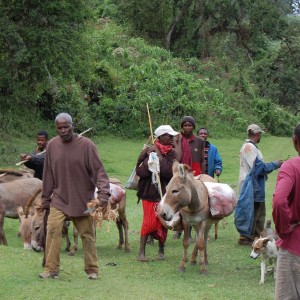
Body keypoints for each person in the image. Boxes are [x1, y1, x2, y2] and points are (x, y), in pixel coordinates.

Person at [39, 113, 110, 280]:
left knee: (87, 234)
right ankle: (51, 269)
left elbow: (100, 172)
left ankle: (92, 270)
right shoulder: (52, 146)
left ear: (72, 126)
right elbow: (48, 174)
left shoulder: (87, 146)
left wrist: (103, 194)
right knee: (52, 230)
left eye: (66, 127)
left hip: (83, 200)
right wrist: (45, 198)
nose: (63, 131)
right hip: (59, 199)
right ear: (56, 129)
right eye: (59, 128)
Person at [234, 124, 283, 246]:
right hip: (251, 185)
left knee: (257, 211)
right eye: (260, 134)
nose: (260, 136)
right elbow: (258, 168)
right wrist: (275, 164)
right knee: (252, 211)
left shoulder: (251, 147)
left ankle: (255, 236)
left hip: (254, 184)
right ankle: (246, 237)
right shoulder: (249, 147)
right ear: (257, 134)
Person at [136, 125, 178, 262]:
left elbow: (168, 172)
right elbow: (140, 172)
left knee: (163, 222)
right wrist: (150, 162)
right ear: (160, 137)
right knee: (148, 222)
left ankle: (161, 249)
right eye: (169, 135)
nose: (172, 138)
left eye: (172, 136)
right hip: (148, 193)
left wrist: (159, 157)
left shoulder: (172, 154)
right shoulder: (148, 151)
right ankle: (141, 253)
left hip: (164, 194)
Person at [272, 123, 300, 300]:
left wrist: (283, 230)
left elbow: (279, 200)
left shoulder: (291, 167)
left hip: (294, 247)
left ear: (294, 140)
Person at [173, 116, 205, 239]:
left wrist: (204, 174)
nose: (187, 128)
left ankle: (190, 231)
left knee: (192, 203)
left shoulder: (199, 141)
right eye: (185, 125)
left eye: (190, 125)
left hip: (195, 173)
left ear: (193, 127)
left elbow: (202, 159)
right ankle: (178, 229)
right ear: (182, 126)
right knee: (179, 201)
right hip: (180, 174)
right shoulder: (176, 139)